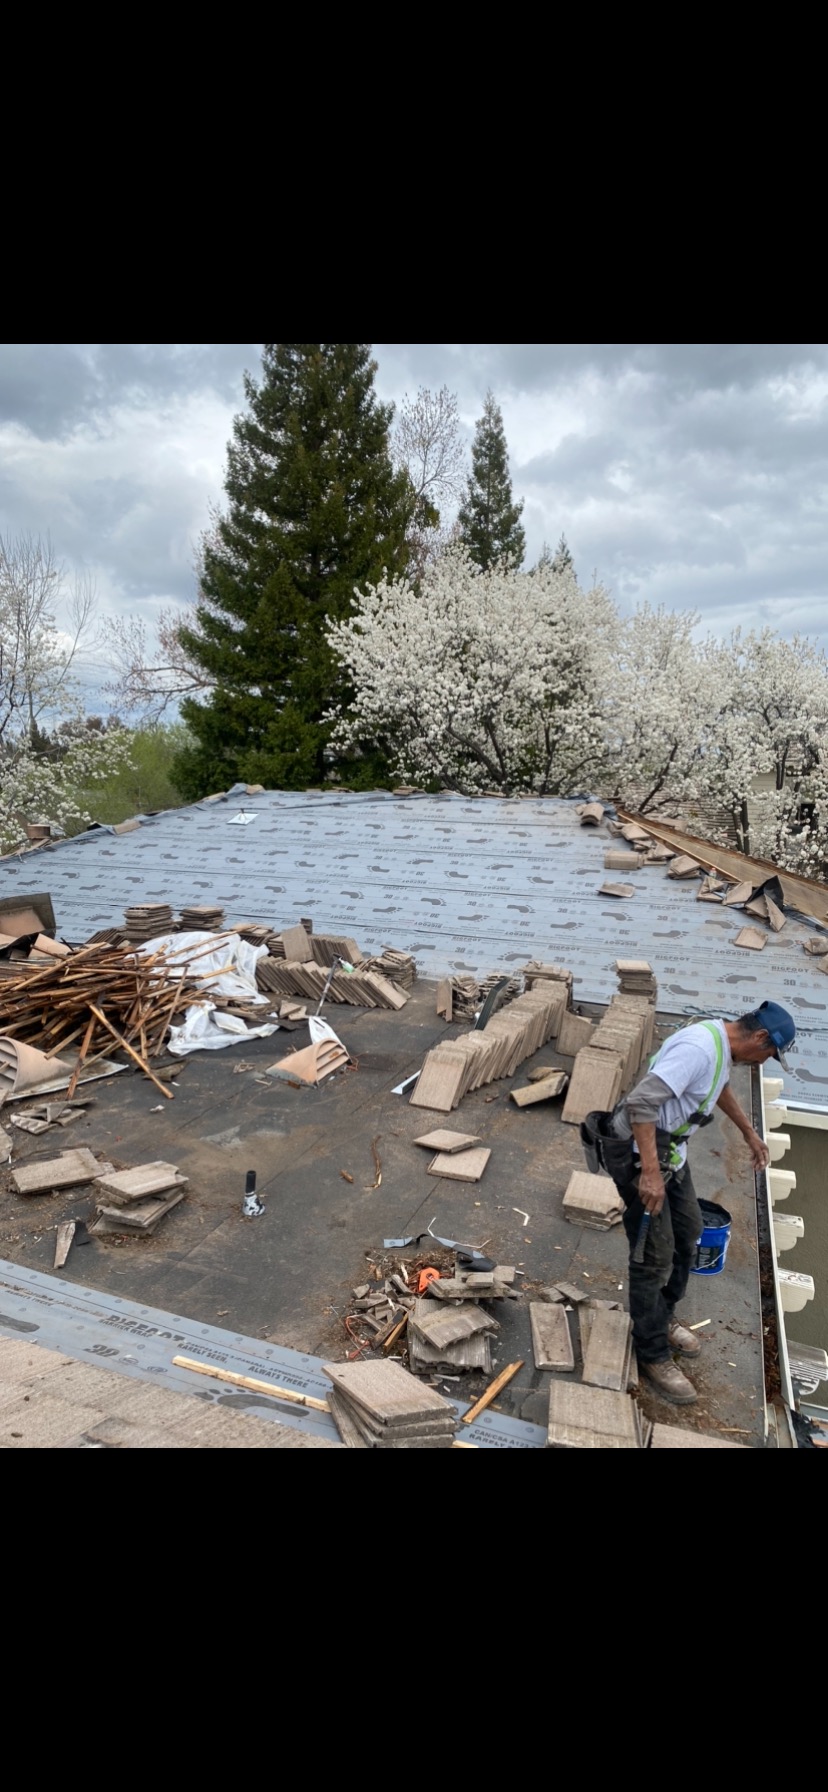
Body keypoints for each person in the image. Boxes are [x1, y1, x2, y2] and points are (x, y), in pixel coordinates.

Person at [582, 1001, 796, 1406]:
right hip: (639, 1153)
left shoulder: (721, 1046)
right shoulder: (700, 1047)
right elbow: (642, 1103)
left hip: (670, 1153)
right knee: (654, 1255)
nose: (764, 1063)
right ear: (760, 1037)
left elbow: (718, 1088)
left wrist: (750, 1133)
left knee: (689, 1233)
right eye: (769, 1055)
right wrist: (647, 1173)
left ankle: (661, 1318)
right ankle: (652, 1352)